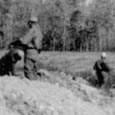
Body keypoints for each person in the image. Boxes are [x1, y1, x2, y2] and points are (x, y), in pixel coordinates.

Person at [18, 16, 43, 80]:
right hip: (36, 53)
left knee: (28, 71)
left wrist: (18, 41)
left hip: (30, 52)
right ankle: (36, 83)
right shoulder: (39, 32)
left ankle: (31, 85)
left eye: (29, 23)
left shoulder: (32, 31)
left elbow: (24, 41)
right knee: (34, 71)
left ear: (30, 23)